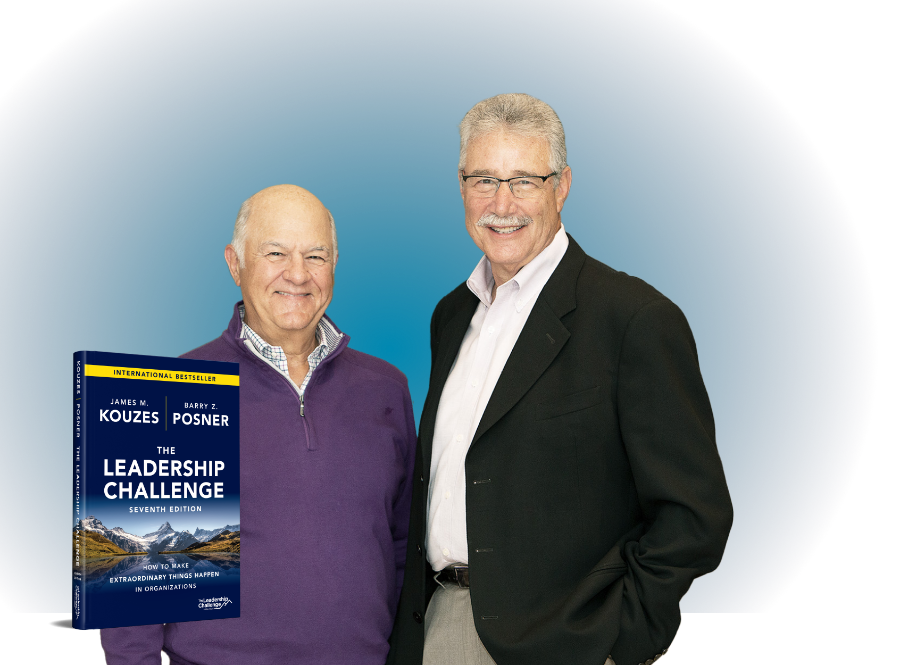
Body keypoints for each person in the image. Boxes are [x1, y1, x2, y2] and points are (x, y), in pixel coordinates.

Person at [387, 94, 733, 665]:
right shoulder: (451, 315)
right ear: (460, 184)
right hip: (443, 625)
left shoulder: (633, 319)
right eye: (483, 180)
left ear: (562, 184)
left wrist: (623, 636)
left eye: (524, 179)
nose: (502, 203)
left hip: (571, 641)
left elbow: (695, 512)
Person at [102, 184, 417, 664]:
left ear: (335, 265)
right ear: (235, 263)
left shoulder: (387, 389)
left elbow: (400, 545)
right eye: (275, 253)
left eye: (315, 255)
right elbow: (134, 578)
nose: (297, 274)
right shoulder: (172, 391)